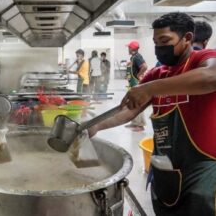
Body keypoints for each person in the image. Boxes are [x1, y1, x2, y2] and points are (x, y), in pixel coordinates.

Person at [87, 12, 216, 216]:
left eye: (165, 41)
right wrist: (96, 125)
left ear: (188, 38)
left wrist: (151, 88)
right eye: (156, 42)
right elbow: (131, 108)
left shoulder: (202, 60)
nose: (159, 48)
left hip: (204, 169)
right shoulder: (158, 73)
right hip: (166, 169)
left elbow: (211, 78)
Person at [125, 40, 147, 131]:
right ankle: (134, 122)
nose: (128, 49)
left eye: (128, 47)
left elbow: (144, 66)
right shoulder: (133, 57)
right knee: (133, 103)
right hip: (132, 84)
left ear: (132, 48)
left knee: (137, 103)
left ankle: (140, 125)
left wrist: (139, 75)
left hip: (136, 83)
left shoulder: (137, 57)